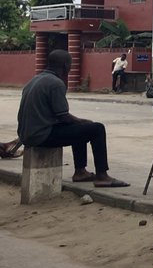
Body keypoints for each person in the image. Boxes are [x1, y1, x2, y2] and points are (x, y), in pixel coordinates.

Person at [16, 50, 130, 187]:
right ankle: (102, 175)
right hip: (41, 136)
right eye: (70, 65)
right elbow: (64, 117)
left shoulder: (34, 80)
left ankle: (80, 172)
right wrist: (83, 122)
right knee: (97, 128)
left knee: (79, 128)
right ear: (65, 66)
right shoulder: (56, 83)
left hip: (27, 134)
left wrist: (80, 123)